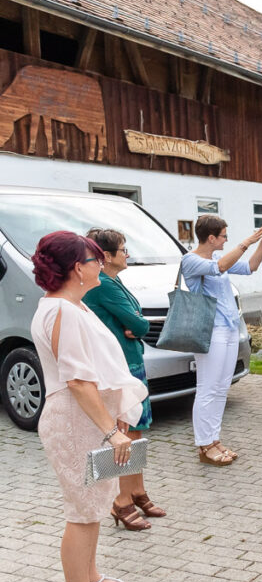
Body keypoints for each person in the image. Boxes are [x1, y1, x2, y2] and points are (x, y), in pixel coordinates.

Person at [30, 231, 147, 582]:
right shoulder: (61, 310)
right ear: (79, 268)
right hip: (74, 420)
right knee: (82, 509)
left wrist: (112, 420)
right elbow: (78, 379)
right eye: (96, 259)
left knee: (96, 502)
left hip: (89, 417)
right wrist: (112, 431)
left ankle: (91, 575)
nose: (102, 264)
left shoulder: (71, 305)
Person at [82, 228, 163, 531]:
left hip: (130, 361)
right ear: (106, 256)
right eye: (123, 249)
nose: (127, 254)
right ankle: (121, 501)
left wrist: (135, 324)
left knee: (138, 431)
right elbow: (138, 323)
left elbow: (136, 315)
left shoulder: (114, 280)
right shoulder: (103, 285)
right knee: (125, 435)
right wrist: (135, 325)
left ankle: (137, 491)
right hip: (120, 366)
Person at [182, 215, 262, 465]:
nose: (227, 240)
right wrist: (248, 240)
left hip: (228, 328)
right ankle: (203, 445)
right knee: (207, 388)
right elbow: (220, 267)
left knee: (222, 387)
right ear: (211, 238)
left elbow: (249, 268)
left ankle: (213, 439)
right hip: (209, 331)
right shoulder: (191, 260)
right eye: (224, 235)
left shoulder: (216, 257)